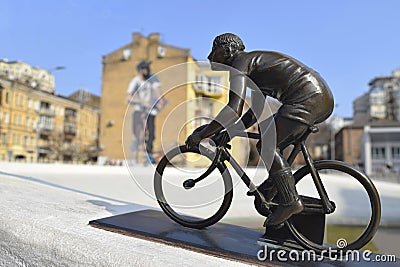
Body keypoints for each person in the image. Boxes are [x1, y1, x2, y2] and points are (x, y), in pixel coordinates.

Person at [185, 33, 334, 226]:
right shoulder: (254, 66)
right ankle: (274, 187)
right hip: (318, 97)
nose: (209, 56)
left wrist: (202, 133)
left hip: (308, 98)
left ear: (227, 51)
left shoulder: (240, 63)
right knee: (269, 139)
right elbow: (253, 113)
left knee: (267, 144)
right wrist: (226, 134)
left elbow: (233, 109)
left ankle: (290, 202)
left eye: (215, 51)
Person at [127, 61, 163, 164]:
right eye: (145, 68)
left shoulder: (152, 79)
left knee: (151, 134)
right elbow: (128, 97)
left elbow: (157, 91)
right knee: (139, 133)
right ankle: (136, 146)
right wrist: (142, 101)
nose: (147, 70)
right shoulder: (136, 81)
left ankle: (149, 155)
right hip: (139, 109)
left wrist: (160, 101)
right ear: (140, 70)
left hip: (151, 110)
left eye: (148, 68)